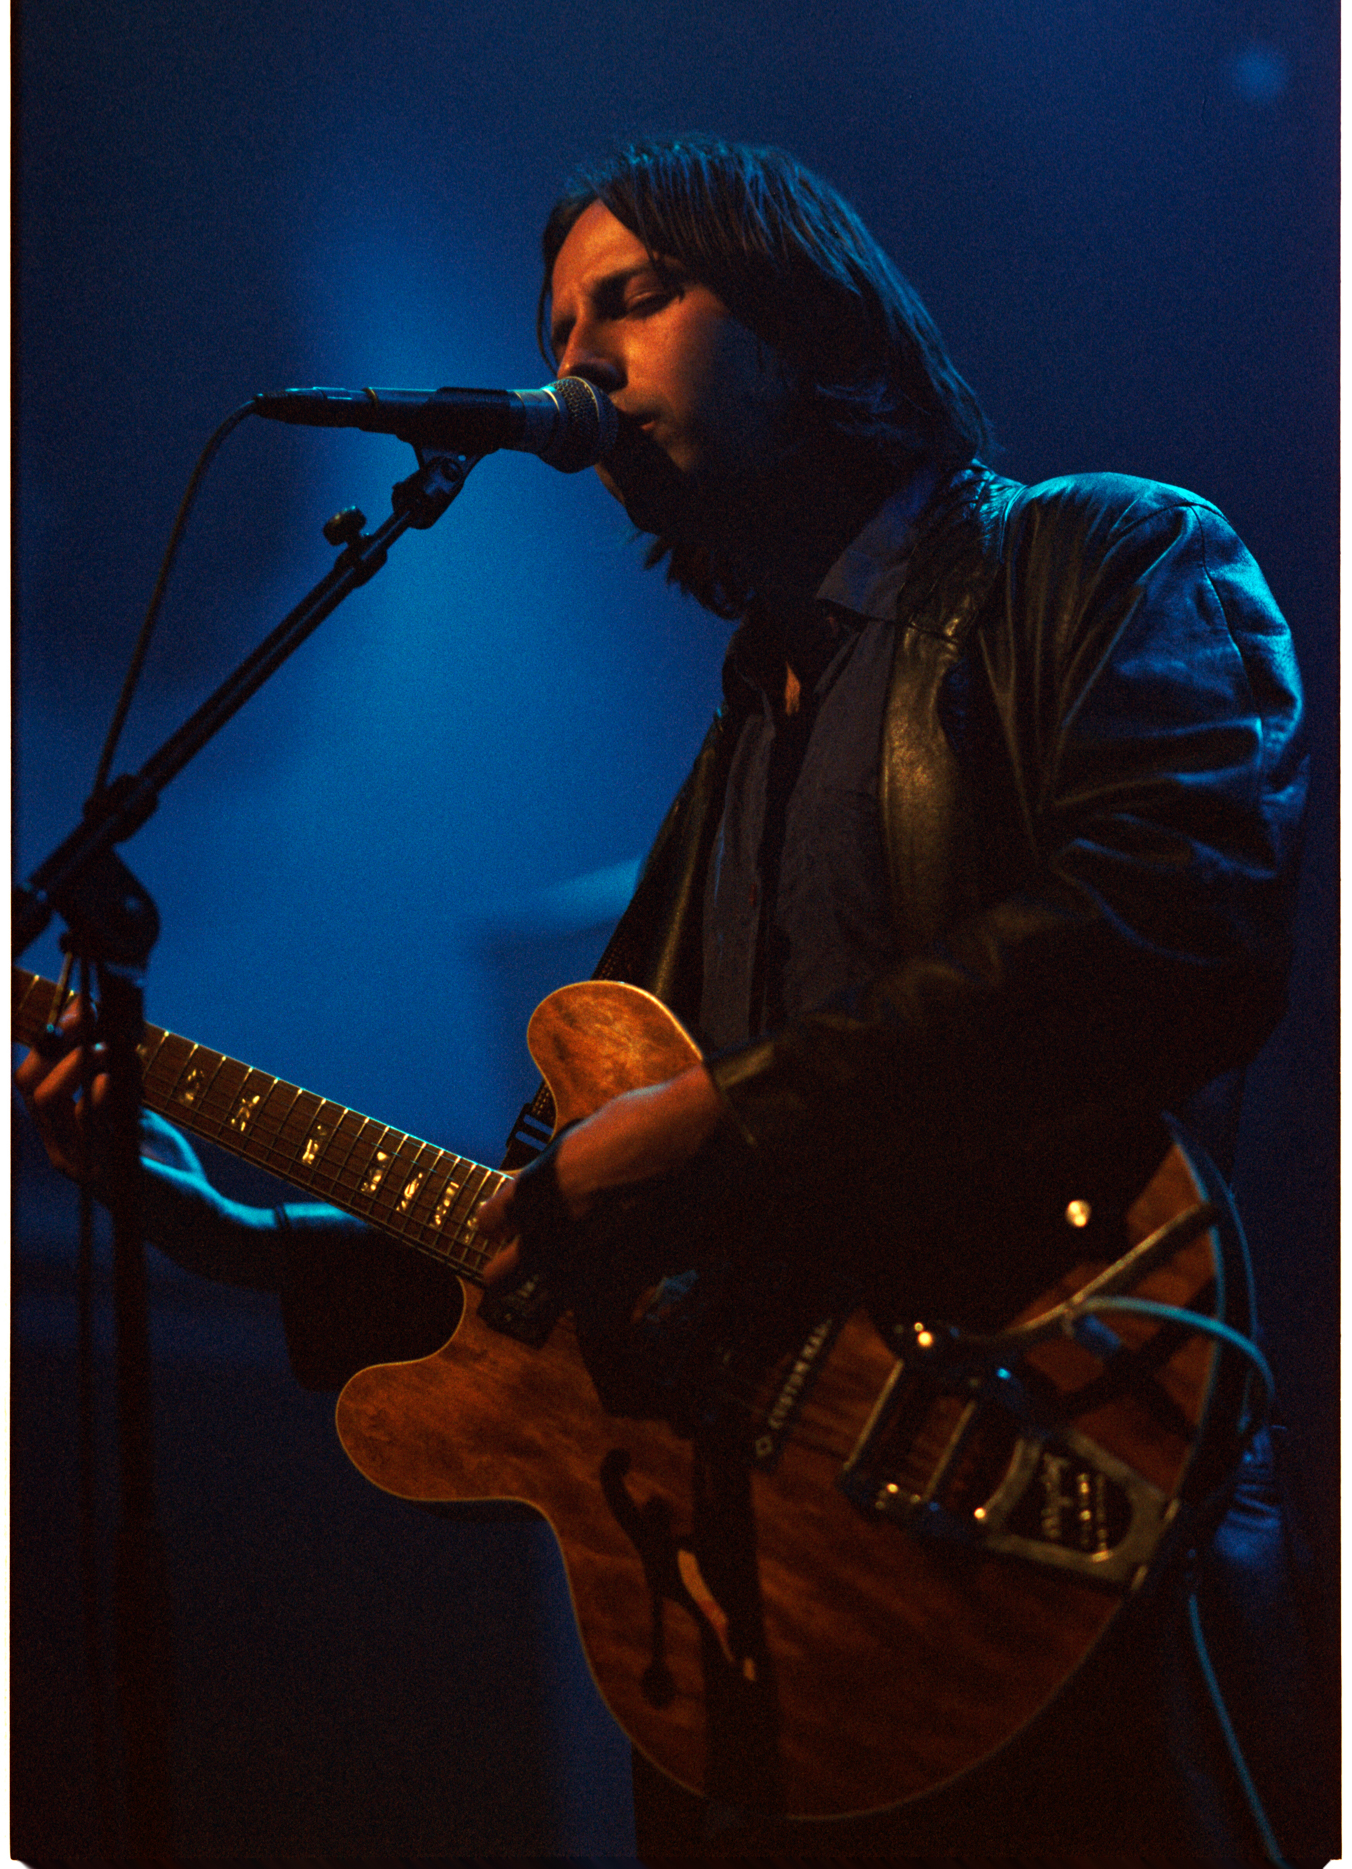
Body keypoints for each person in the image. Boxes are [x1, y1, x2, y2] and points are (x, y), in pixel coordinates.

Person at [19, 138, 1325, 1862]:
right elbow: (555, 1270)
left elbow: (1171, 921)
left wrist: (718, 1120)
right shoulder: (735, 759)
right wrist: (209, 1221)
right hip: (762, 1627)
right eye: (562, 327)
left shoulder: (1102, 562)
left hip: (1048, 1483)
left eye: (635, 299)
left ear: (803, 313)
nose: (582, 364)